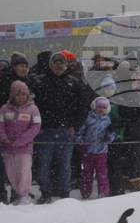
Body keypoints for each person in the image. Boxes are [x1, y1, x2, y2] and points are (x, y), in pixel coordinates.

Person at [28, 51, 90, 203]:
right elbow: (30, 105)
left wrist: (75, 126)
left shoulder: (73, 82)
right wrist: (37, 126)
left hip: (66, 132)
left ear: (65, 65)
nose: (58, 65)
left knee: (65, 165)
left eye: (61, 62)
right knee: (43, 165)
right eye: (55, 62)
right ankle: (46, 192)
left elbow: (83, 106)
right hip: (45, 132)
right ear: (50, 64)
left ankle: (64, 193)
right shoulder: (39, 82)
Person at [0, 80, 42, 205]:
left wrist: (21, 140)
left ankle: (24, 194)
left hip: (24, 148)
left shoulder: (33, 109)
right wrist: (3, 137)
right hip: (8, 147)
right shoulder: (4, 109)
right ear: (12, 95)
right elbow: (1, 125)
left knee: (24, 171)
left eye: (23, 94)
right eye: (17, 95)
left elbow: (36, 127)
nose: (20, 97)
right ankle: (18, 192)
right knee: (11, 172)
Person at [74, 97, 117, 199]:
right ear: (95, 107)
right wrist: (81, 142)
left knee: (102, 172)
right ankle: (85, 191)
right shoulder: (88, 118)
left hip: (101, 151)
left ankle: (103, 192)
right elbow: (80, 132)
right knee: (87, 172)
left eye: (103, 107)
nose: (101, 109)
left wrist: (109, 138)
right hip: (88, 151)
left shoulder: (107, 120)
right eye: (99, 107)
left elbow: (111, 133)